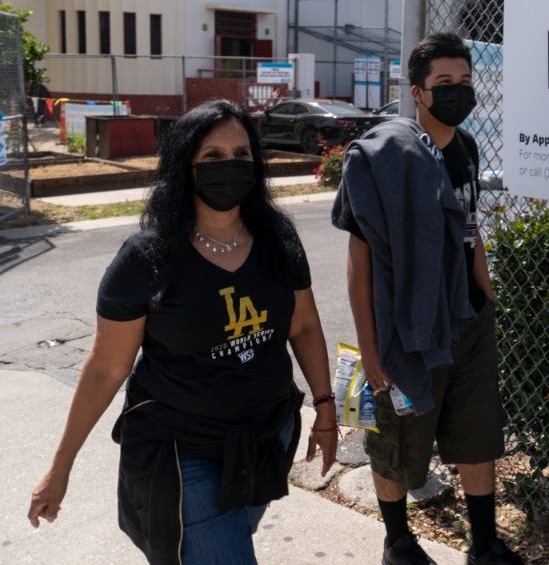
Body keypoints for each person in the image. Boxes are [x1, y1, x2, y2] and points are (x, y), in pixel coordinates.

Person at [27, 99, 338, 564]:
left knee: (219, 545)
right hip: (182, 447)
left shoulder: (278, 238)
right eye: (212, 157)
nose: (228, 166)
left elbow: (305, 326)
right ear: (184, 167)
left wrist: (326, 408)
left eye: (240, 155)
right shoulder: (147, 258)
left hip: (265, 438)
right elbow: (105, 369)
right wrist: (59, 468)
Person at [332, 32, 523, 565]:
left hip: (468, 321)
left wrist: (485, 295)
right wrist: (371, 356)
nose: (458, 92)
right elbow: (359, 262)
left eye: (465, 82)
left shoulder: (465, 148)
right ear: (417, 92)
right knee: (397, 438)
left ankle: (483, 544)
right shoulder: (382, 158)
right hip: (407, 328)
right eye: (445, 84)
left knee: (478, 431)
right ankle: (398, 542)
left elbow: (472, 226)